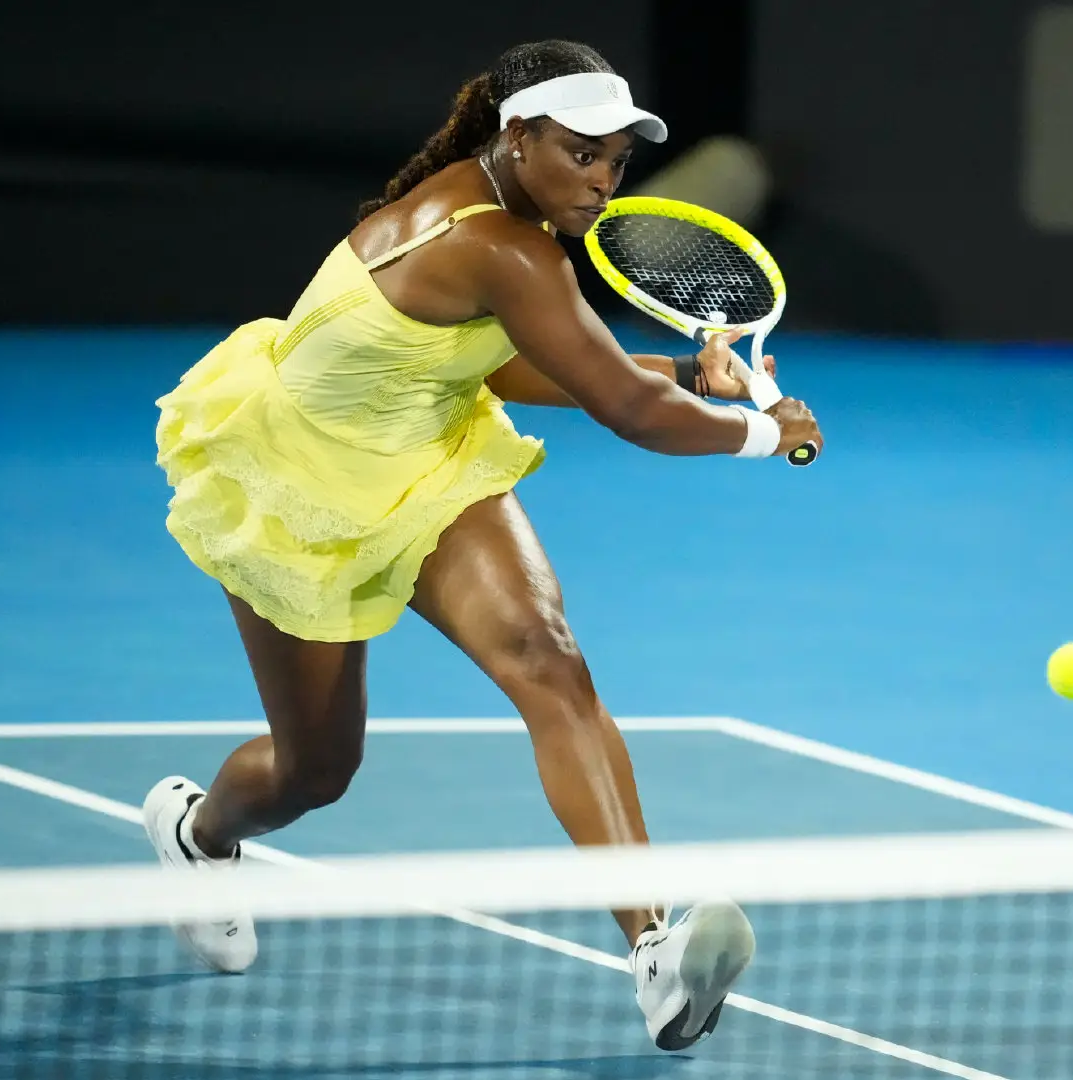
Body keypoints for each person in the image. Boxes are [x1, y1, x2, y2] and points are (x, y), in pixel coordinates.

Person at [141, 38, 821, 1052]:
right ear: (520, 136)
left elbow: (500, 367)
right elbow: (626, 410)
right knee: (314, 771)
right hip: (301, 487)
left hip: (429, 456)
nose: (602, 180)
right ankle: (198, 836)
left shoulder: (512, 225)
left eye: (616, 161)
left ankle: (654, 952)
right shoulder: (499, 245)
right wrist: (765, 433)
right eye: (581, 154)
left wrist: (689, 376)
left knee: (549, 659)